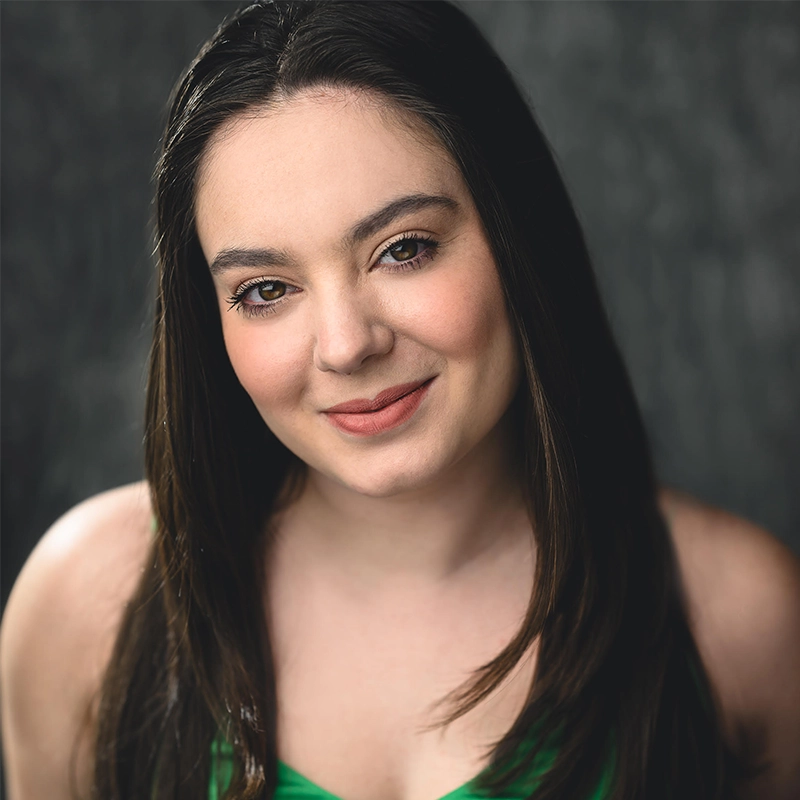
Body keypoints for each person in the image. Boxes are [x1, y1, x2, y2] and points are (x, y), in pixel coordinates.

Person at [2, 1, 799, 798]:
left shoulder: (739, 620)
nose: (347, 344)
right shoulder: (83, 606)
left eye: (404, 249)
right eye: (267, 289)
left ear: (517, 235)